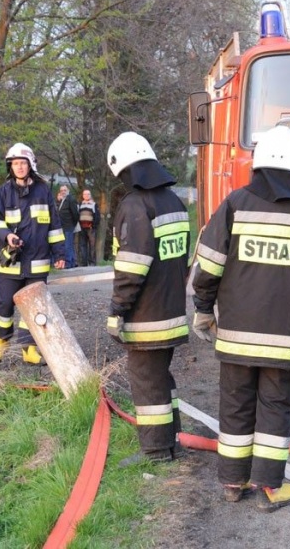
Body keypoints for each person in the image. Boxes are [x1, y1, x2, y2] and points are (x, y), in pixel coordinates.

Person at [191, 125, 290, 512]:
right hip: (287, 339)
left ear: (258, 163)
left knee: (236, 406)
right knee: (276, 409)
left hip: (237, 338)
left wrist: (204, 309)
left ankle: (231, 481)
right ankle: (270, 487)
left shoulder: (236, 203)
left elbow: (208, 265)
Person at [106, 131, 191, 467]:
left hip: (146, 317)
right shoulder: (175, 202)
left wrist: (117, 310)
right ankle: (172, 441)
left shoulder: (135, 205)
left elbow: (131, 268)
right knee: (162, 378)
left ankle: (155, 451)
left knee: (145, 381)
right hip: (171, 312)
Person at [0, 143, 66, 366]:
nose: (19, 167)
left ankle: (29, 349)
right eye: (15, 164)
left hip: (37, 262)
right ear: (10, 167)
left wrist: (60, 253)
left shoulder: (43, 191)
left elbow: (55, 225)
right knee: (3, 304)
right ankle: (1, 343)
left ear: (30, 165)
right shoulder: (4, 192)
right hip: (10, 263)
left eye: (23, 163)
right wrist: (6, 236)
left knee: (34, 307)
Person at [56, 185, 79, 269]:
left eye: (65, 190)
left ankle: (68, 263)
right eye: (61, 190)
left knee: (67, 245)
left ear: (68, 190)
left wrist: (73, 223)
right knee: (69, 244)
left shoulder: (71, 199)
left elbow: (75, 213)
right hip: (63, 225)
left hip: (68, 225)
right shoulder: (63, 200)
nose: (63, 191)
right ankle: (72, 262)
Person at [77, 188, 100, 266]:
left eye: (88, 194)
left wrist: (93, 225)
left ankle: (92, 262)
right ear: (83, 196)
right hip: (82, 228)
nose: (86, 195)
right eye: (85, 194)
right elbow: (77, 215)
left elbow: (97, 216)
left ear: (90, 195)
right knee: (83, 245)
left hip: (91, 228)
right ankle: (84, 263)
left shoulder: (94, 204)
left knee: (92, 245)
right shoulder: (80, 204)